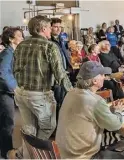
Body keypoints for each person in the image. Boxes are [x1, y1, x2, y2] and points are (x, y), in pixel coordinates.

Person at [11, 15, 73, 158]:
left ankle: (24, 154)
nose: (51, 30)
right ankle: (34, 154)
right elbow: (60, 73)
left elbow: (15, 68)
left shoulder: (21, 45)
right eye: (50, 27)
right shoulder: (49, 46)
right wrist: (72, 91)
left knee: (29, 128)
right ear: (43, 28)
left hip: (20, 92)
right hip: (39, 94)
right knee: (48, 126)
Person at [56, 61, 124, 159]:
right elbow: (115, 125)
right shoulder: (95, 101)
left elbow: (87, 114)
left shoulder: (71, 93)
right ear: (95, 81)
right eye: (102, 74)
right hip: (83, 156)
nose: (104, 77)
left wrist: (109, 110)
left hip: (65, 153)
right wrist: (118, 111)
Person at [0, 28, 23, 159]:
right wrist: (14, 86)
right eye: (19, 36)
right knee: (8, 123)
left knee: (5, 122)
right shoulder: (8, 53)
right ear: (10, 39)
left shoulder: (11, 52)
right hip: (4, 93)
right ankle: (7, 152)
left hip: (5, 91)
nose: (22, 38)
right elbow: (3, 72)